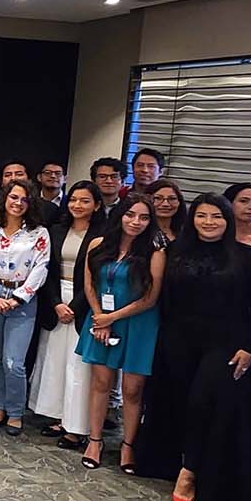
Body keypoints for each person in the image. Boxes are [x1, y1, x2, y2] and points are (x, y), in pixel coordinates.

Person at [153, 194, 251, 501]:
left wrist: (249, 346)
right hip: (178, 340)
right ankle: (181, 460)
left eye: (216, 217)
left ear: (228, 219)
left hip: (226, 344)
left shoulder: (246, 257)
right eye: (202, 216)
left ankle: (190, 471)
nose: (209, 222)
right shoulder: (176, 252)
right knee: (181, 403)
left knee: (202, 403)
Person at [76, 193, 165, 473]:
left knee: (132, 389)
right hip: (101, 319)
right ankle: (95, 441)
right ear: (120, 215)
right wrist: (101, 318)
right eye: (130, 215)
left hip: (138, 322)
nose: (136, 222)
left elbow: (150, 298)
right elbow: (89, 284)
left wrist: (110, 317)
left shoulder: (154, 252)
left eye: (143, 217)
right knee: (101, 383)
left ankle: (128, 445)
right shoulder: (98, 244)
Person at [0, 179, 50, 435]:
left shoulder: (39, 233)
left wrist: (18, 298)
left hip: (23, 299)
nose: (18, 203)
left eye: (24, 199)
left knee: (13, 361)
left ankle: (16, 412)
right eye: (14, 197)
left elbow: (41, 269)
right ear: (5, 198)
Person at [31, 181, 104, 448]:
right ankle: (59, 417)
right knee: (54, 361)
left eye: (85, 201)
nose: (77, 205)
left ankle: (77, 427)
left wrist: (75, 306)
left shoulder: (103, 234)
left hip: (84, 302)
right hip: (55, 299)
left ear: (96, 205)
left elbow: (98, 277)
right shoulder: (56, 230)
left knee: (79, 367)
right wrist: (55, 303)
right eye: (73, 199)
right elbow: (46, 269)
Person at [1, 159, 60, 223]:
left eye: (19, 174)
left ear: (29, 180)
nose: (13, 178)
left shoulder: (48, 209)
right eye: (7, 175)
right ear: (1, 182)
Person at [146, 179, 186, 247]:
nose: (165, 204)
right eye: (158, 198)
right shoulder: (141, 231)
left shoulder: (185, 231)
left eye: (172, 199)